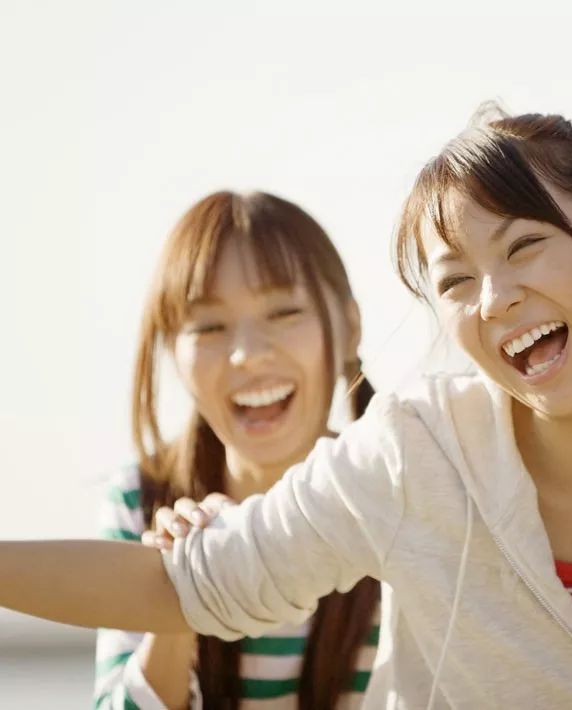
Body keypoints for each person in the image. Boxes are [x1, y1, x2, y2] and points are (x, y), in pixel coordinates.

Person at [0, 109, 572, 709]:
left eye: (523, 246)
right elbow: (184, 585)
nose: (494, 298)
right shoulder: (416, 452)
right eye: (454, 281)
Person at [94, 191, 380, 709]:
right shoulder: (141, 498)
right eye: (209, 326)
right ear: (172, 349)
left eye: (284, 312)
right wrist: (180, 594)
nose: (247, 354)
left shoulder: (396, 498)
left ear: (350, 327)